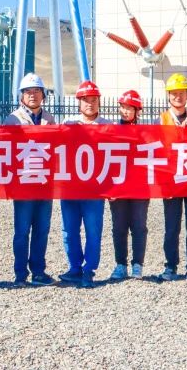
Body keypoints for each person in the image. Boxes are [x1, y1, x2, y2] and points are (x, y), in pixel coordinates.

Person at [4, 72, 57, 286]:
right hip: (23, 184)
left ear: (43, 95)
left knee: (42, 230)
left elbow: (56, 150)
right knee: (22, 230)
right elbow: (6, 153)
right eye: (28, 91)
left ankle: (38, 271)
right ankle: (20, 274)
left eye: (36, 91)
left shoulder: (50, 119)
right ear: (21, 96)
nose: (32, 95)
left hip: (45, 184)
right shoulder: (13, 120)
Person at [159, 74, 187, 284]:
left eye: (181, 93)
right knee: (171, 227)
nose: (178, 97)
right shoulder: (162, 119)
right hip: (172, 181)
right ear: (168, 96)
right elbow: (158, 151)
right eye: (174, 93)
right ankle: (170, 266)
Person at [61, 80, 106, 287]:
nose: (90, 103)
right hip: (70, 188)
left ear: (99, 102)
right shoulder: (68, 124)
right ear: (79, 102)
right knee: (69, 230)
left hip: (95, 190)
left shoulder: (108, 126)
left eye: (93, 100)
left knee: (93, 230)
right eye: (85, 100)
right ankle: (74, 268)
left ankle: (89, 270)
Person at [108, 89, 149, 280]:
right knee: (119, 227)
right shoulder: (112, 131)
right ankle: (120, 264)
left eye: (129, 108)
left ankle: (137, 264)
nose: (125, 111)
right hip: (118, 187)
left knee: (139, 226)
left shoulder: (146, 133)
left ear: (137, 111)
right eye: (123, 107)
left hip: (140, 187)